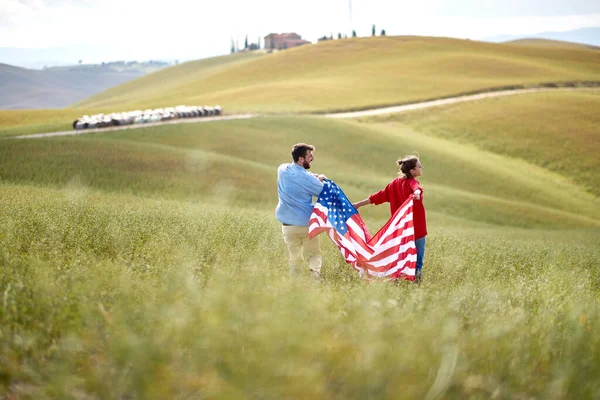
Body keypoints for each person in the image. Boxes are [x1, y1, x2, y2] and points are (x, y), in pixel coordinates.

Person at [352, 155, 427, 283]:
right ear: (412, 171)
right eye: (419, 166)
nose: (422, 167)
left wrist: (358, 204)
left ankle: (396, 282)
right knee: (417, 260)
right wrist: (417, 193)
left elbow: (377, 197)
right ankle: (416, 285)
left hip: (400, 232)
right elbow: (416, 187)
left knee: (398, 258)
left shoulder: (394, 184)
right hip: (417, 230)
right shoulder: (412, 183)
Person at [276, 143, 327, 279]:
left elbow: (298, 176)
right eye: (310, 156)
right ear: (301, 159)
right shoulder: (310, 180)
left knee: (294, 257)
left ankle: (295, 282)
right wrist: (319, 179)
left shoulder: (282, 169)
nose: (313, 158)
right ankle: (314, 278)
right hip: (307, 225)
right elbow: (323, 192)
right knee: (314, 254)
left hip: (288, 226)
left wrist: (313, 177)